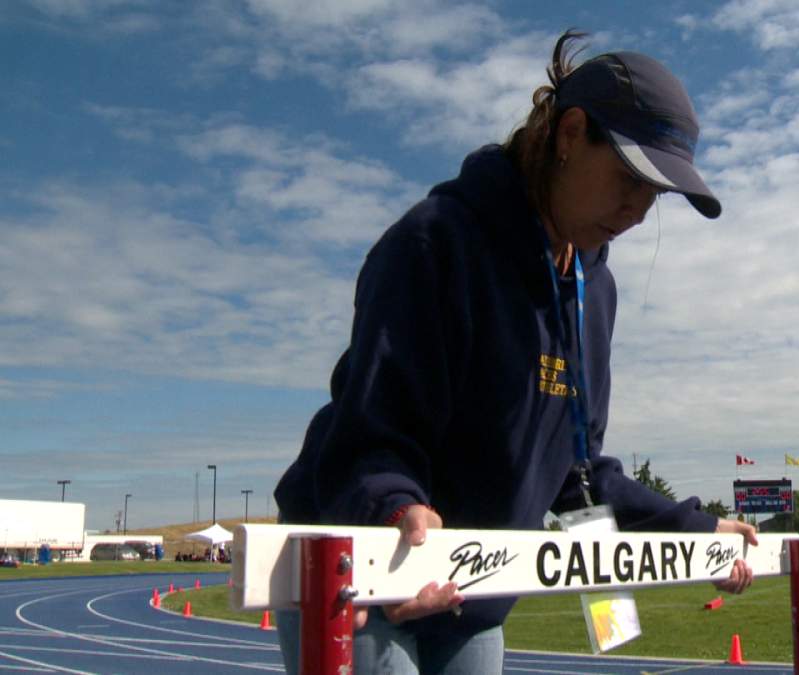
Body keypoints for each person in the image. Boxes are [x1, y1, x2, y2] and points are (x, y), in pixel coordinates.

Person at [272, 30, 755, 675]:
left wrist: (690, 529)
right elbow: (370, 435)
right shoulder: (434, 243)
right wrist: (396, 513)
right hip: (363, 572)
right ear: (568, 134)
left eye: (655, 193)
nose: (638, 210)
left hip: (473, 592)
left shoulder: (595, 290)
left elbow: (575, 474)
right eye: (628, 178)